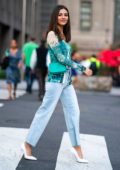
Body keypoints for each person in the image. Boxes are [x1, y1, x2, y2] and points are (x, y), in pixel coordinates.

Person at [21, 5, 92, 162]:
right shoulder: (51, 34)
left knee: (74, 112)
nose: (63, 17)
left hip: (66, 81)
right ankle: (27, 144)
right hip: (55, 81)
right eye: (60, 14)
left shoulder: (64, 36)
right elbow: (60, 58)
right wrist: (81, 68)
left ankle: (76, 146)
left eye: (65, 14)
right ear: (55, 17)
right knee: (45, 111)